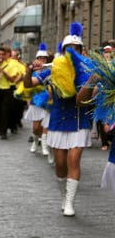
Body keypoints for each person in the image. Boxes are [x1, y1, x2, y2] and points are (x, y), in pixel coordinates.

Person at [24, 22, 91, 216]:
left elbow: (86, 98)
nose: (71, 52)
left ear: (81, 50)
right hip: (58, 120)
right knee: (60, 164)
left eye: (75, 49)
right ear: (62, 51)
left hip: (79, 120)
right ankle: (63, 195)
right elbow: (29, 84)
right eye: (68, 49)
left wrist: (93, 80)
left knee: (74, 160)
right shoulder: (52, 69)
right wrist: (29, 70)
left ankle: (70, 202)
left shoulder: (87, 70)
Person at [22, 43, 50, 154]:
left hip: (48, 100)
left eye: (44, 58)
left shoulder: (50, 69)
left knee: (46, 125)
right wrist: (28, 99)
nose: (42, 60)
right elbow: (27, 86)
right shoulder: (33, 71)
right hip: (36, 101)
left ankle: (44, 146)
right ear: (37, 59)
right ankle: (35, 141)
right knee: (35, 128)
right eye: (40, 58)